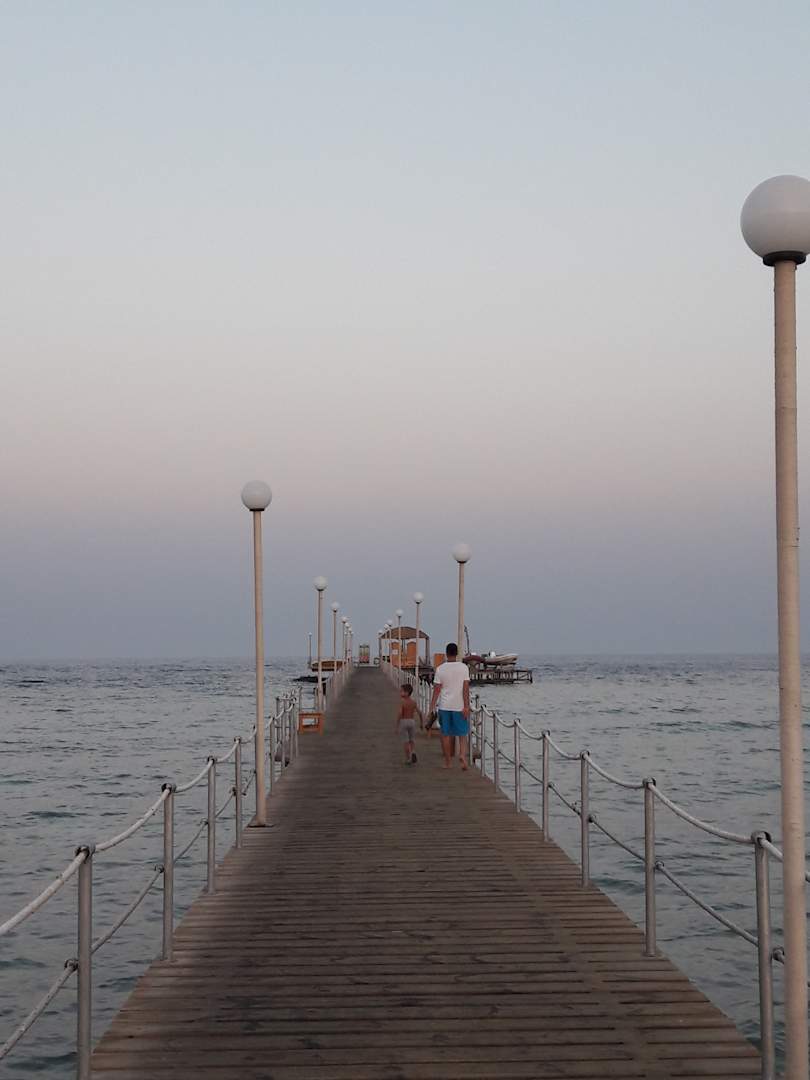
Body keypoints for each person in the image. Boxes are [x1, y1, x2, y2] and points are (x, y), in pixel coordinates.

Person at [430, 642, 471, 770]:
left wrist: (431, 706)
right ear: (457, 653)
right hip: (459, 706)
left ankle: (448, 761)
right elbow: (465, 689)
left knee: (445, 734)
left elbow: (437, 689)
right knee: (462, 734)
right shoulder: (464, 668)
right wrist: (466, 706)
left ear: (446, 653)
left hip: (444, 706)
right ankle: (462, 755)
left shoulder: (440, 669)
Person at [397, 684, 422, 765]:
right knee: (412, 740)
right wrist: (421, 723)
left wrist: (397, 724)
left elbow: (400, 713)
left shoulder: (402, 702)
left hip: (404, 721)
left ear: (407, 693)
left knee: (406, 741)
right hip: (412, 721)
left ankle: (408, 758)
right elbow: (420, 713)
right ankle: (413, 751)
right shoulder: (413, 702)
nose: (400, 692)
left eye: (402, 691)